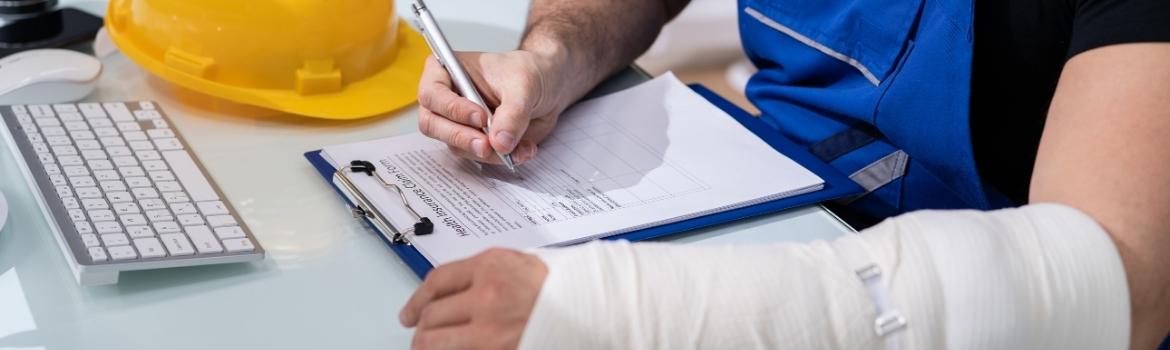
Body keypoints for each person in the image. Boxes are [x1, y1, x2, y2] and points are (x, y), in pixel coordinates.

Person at [398, 0, 1170, 348]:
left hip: (979, 311)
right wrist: (552, 56)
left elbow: (1110, 283)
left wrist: (613, 314)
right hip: (766, 212)